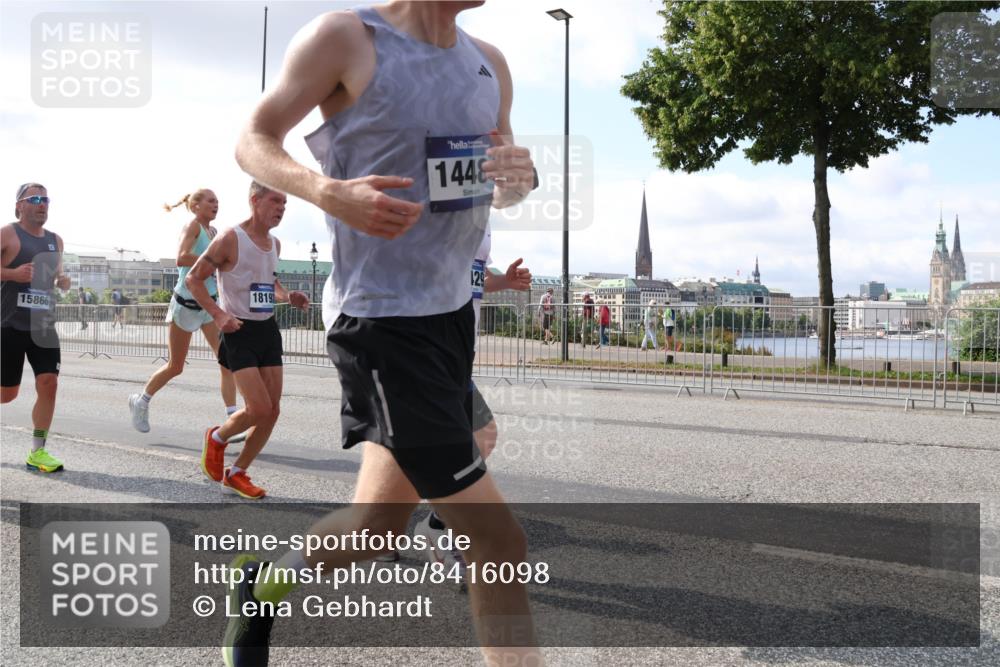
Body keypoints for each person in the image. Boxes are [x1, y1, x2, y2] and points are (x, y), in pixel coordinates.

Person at [225, 2, 540, 665]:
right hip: (383, 322)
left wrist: (518, 179)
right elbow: (253, 137)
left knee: (374, 527)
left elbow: (505, 176)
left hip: (452, 318)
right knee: (498, 541)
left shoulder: (490, 63)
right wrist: (327, 191)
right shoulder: (348, 38)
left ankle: (263, 583)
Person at [411, 221, 532, 583]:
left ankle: (425, 523)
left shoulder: (479, 221)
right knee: (464, 444)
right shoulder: (442, 212)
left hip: (459, 356)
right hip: (432, 353)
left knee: (478, 439)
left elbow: (475, 279)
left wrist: (505, 281)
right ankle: (438, 530)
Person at [187, 182, 308, 500]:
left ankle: (237, 473)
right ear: (254, 200)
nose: (281, 208)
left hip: (267, 330)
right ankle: (217, 436)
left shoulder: (275, 244)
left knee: (273, 410)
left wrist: (287, 296)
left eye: (285, 203)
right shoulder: (230, 238)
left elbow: (269, 281)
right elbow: (194, 278)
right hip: (237, 331)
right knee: (258, 408)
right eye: (275, 200)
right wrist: (217, 315)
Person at [128, 189, 242, 437]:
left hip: (209, 305)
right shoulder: (193, 227)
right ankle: (141, 401)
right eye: (211, 201)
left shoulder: (214, 231)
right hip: (186, 303)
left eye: (217, 200)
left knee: (226, 361)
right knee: (176, 366)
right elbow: (181, 257)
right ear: (195, 206)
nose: (216, 204)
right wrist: (213, 261)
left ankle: (232, 419)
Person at [1, 183, 70, 473]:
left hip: (43, 325)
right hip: (9, 324)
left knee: (49, 383)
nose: (43, 204)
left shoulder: (56, 240)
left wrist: (61, 280)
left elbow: (54, 275)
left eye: (46, 199)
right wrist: (11, 273)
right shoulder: (8, 233)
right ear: (20, 206)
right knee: (7, 395)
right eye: (36, 199)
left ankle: (37, 452)